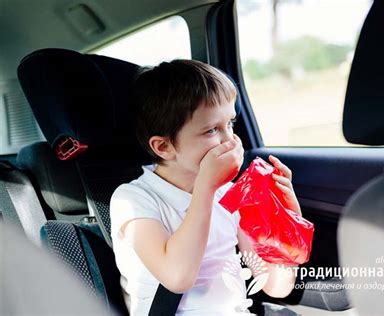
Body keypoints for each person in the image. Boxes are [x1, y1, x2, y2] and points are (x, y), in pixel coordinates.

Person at [110, 60, 304, 315]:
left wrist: (287, 219)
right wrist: (206, 187)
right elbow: (177, 277)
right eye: (212, 129)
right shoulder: (133, 200)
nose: (230, 139)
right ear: (164, 147)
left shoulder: (228, 193)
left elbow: (276, 285)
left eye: (230, 124)